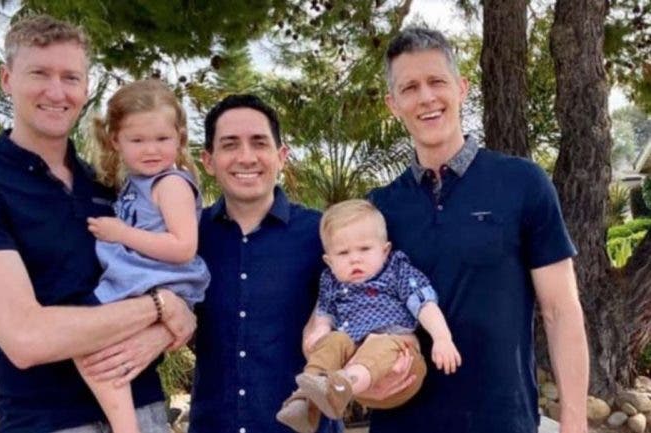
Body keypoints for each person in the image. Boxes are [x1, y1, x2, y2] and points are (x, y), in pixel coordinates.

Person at [0, 15, 195, 433]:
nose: (57, 92)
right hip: (47, 423)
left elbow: (179, 290)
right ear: (6, 79)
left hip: (145, 413)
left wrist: (169, 325)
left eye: (70, 77)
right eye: (40, 73)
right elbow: (26, 338)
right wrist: (159, 307)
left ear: (85, 88)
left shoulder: (112, 187)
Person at [366, 26, 589, 433]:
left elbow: (561, 310)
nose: (426, 97)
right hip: (402, 423)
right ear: (393, 104)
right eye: (410, 88)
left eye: (437, 81)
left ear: (462, 88)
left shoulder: (523, 183)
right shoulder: (378, 208)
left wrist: (574, 418)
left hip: (502, 421)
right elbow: (358, 308)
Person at [188, 94, 341, 433]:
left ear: (281, 156)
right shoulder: (188, 237)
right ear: (208, 160)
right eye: (230, 144)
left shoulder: (322, 234)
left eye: (259, 143)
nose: (246, 157)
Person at [75, 79, 210, 433]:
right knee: (98, 348)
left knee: (83, 336)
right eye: (137, 140)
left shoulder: (171, 184)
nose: (151, 150)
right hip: (141, 277)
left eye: (162, 139)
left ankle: (125, 427)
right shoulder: (134, 183)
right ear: (115, 141)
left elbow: (184, 247)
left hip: (159, 278)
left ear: (180, 138)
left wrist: (121, 233)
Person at [277, 199, 460, 433]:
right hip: (355, 356)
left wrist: (442, 338)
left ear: (385, 250)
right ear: (329, 261)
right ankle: (304, 401)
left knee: (382, 344)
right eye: (343, 253)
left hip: (399, 356)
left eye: (364, 249)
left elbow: (424, 304)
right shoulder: (331, 282)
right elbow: (323, 314)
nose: (355, 258)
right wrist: (320, 332)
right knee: (334, 340)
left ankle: (344, 384)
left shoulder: (396, 270)